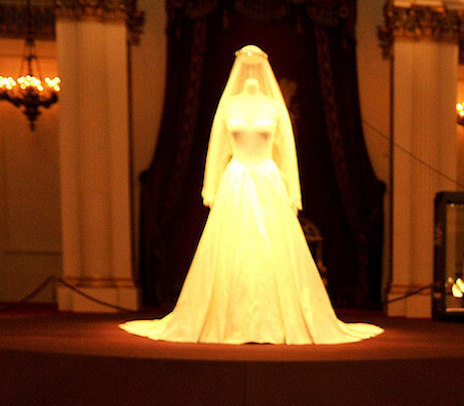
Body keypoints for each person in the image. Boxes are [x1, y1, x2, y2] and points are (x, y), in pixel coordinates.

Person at [121, 45, 383, 345]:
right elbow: (217, 147)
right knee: (231, 250)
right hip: (236, 183)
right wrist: (211, 187)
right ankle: (230, 318)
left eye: (256, 63)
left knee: (272, 249)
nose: (250, 68)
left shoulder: (274, 107)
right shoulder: (229, 105)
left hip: (268, 181)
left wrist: (292, 193)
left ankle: (274, 319)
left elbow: (287, 151)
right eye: (245, 63)